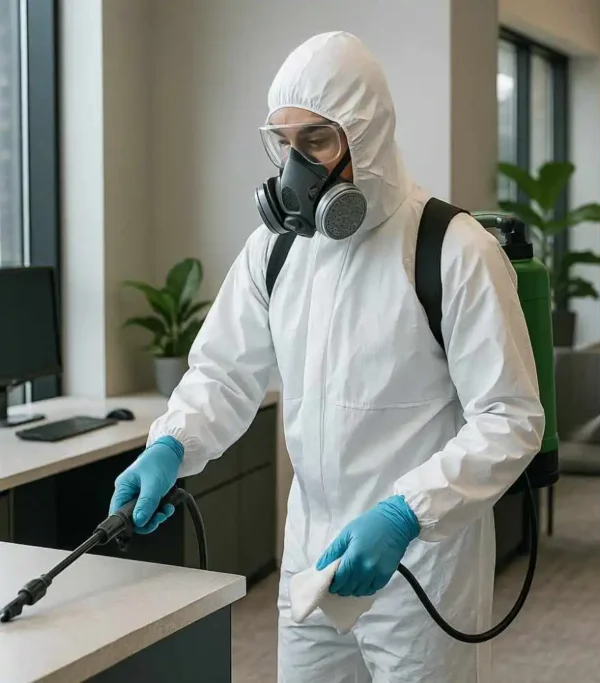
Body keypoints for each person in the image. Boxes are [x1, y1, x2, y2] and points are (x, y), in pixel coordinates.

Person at [108, 32, 545, 683]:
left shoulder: (453, 250)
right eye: (283, 143)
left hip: (421, 571)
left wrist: (406, 513)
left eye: (315, 141)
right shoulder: (275, 252)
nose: (295, 167)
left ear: (366, 137)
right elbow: (224, 372)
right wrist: (172, 444)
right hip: (313, 565)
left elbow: (511, 417)